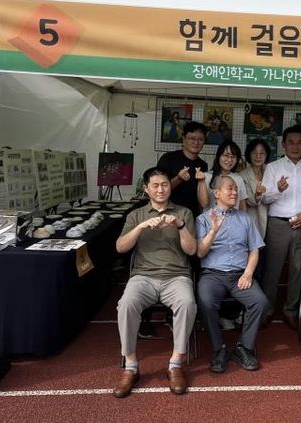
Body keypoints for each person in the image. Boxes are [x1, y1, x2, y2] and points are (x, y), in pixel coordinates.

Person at [114, 167, 197, 397]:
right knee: (126, 304)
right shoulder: (136, 215)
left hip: (176, 276)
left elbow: (192, 250)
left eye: (165, 184)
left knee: (187, 303)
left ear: (171, 186)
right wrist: (141, 227)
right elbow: (120, 247)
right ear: (146, 189)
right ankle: (131, 366)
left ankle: (175, 364)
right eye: (156, 185)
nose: (161, 189)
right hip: (143, 276)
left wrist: (180, 226)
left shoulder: (184, 213)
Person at [196, 175, 269, 373]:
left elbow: (254, 249)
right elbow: (200, 252)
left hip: (239, 275)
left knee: (260, 302)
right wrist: (213, 231)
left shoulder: (245, 218)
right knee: (205, 301)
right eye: (230, 188)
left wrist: (248, 273)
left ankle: (243, 348)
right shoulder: (203, 219)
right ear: (217, 193)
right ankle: (218, 348)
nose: (235, 192)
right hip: (212, 274)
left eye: (236, 189)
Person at [261, 126, 301, 330]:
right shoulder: (273, 167)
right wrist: (277, 190)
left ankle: (291, 310)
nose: (295, 146)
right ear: (283, 144)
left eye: (299, 142)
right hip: (278, 224)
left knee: (297, 269)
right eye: (291, 142)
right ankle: (267, 309)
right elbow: (263, 198)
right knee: (272, 269)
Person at [156, 121, 208, 218]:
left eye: (200, 139)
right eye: (192, 138)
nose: (196, 143)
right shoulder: (168, 158)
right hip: (168, 214)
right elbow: (157, 190)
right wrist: (178, 179)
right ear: (183, 139)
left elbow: (200, 197)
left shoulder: (203, 165)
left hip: (191, 216)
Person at [197, 140, 248, 211]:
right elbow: (204, 204)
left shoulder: (238, 178)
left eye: (233, 157)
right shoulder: (207, 176)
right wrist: (201, 181)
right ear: (218, 156)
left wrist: (244, 218)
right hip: (211, 218)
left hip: (233, 218)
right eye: (226, 155)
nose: (229, 160)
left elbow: (243, 206)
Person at [239, 138, 270, 240]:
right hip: (254, 221)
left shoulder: (271, 171)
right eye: (254, 153)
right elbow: (248, 201)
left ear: (267, 155)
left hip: (272, 221)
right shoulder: (242, 176)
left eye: (262, 153)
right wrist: (257, 195)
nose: (258, 156)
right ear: (249, 154)